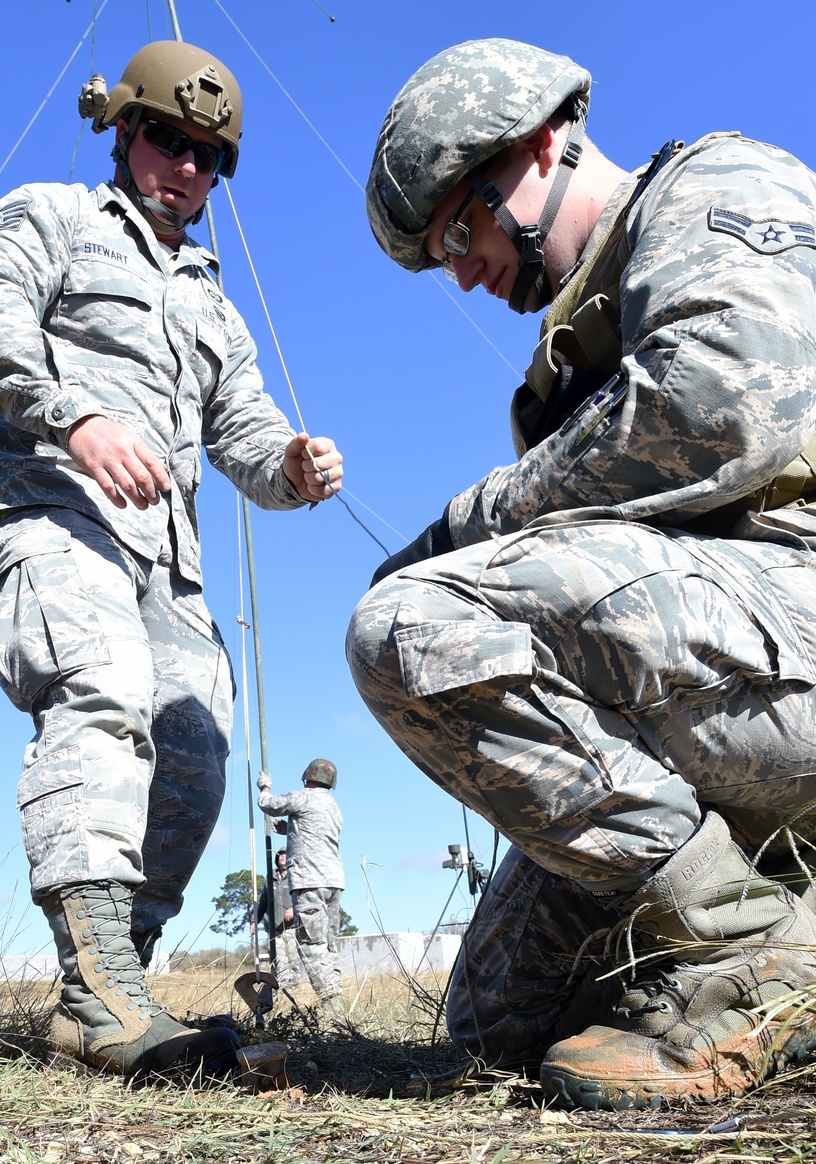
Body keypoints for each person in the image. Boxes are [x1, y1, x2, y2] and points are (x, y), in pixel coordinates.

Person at [348, 37, 816, 1109]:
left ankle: (766, 954)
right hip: (724, 685)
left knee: (413, 627)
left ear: (544, 140)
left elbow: (721, 401)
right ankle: (770, 923)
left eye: (459, 225)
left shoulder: (717, 189)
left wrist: (467, 525)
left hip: (791, 624)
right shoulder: (569, 355)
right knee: (504, 1023)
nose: (462, 268)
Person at [0, 40, 343, 1083]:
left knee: (198, 748)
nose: (189, 169)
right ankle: (98, 988)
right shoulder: (53, 218)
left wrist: (292, 465)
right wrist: (75, 415)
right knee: (105, 691)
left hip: (167, 557)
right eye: (168, 140)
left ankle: (119, 984)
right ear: (123, 130)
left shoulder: (211, 300)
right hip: (48, 507)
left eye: (211, 157)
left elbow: (244, 434)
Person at [257, 761, 345, 1020]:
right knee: (328, 944)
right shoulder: (333, 807)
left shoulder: (303, 797)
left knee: (312, 945)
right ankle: (336, 1003)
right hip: (334, 881)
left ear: (308, 777)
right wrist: (288, 829)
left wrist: (265, 786)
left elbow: (268, 805)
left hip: (309, 880)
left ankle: (331, 1010)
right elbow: (313, 834)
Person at [255, 849, 304, 989]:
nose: (283, 857)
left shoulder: (295, 876)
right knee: (278, 962)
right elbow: (263, 903)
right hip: (274, 930)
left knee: (293, 960)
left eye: (285, 854)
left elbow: (303, 898)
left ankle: (295, 989)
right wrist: (254, 921)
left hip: (291, 928)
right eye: (280, 855)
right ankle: (282, 990)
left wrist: (294, 908)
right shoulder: (270, 878)